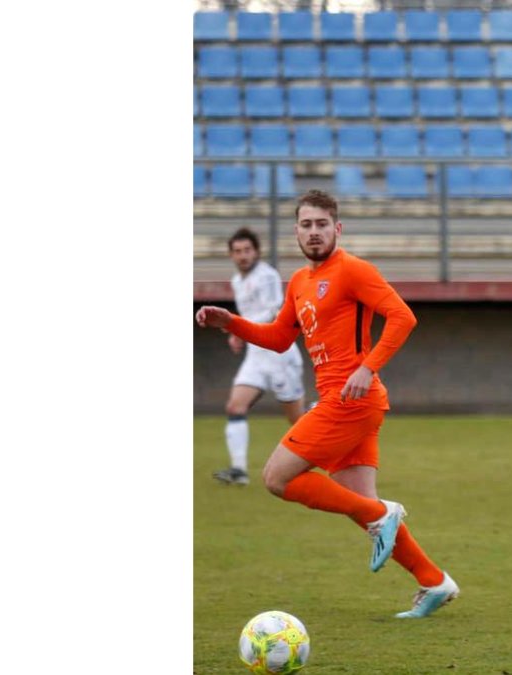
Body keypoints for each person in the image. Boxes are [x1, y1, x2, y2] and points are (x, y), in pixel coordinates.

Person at [196, 189, 459, 618]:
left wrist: (367, 367)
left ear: (337, 228)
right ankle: (433, 581)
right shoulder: (299, 282)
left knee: (277, 478)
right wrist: (232, 322)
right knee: (360, 509)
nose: (314, 232)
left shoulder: (354, 270)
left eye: (321, 224)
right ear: (296, 232)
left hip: (351, 399)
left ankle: (383, 512)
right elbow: (280, 338)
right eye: (306, 225)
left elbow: (402, 317)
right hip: (346, 402)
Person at [212, 228, 306, 486]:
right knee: (235, 406)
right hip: (256, 356)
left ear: (256, 252)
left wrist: (237, 327)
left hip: (279, 355)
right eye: (238, 251)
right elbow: (250, 315)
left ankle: (330, 453)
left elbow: (274, 313)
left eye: (247, 250)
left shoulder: (267, 276)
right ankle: (239, 470)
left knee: (296, 420)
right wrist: (238, 333)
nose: (243, 256)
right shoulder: (237, 281)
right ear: (231, 255)